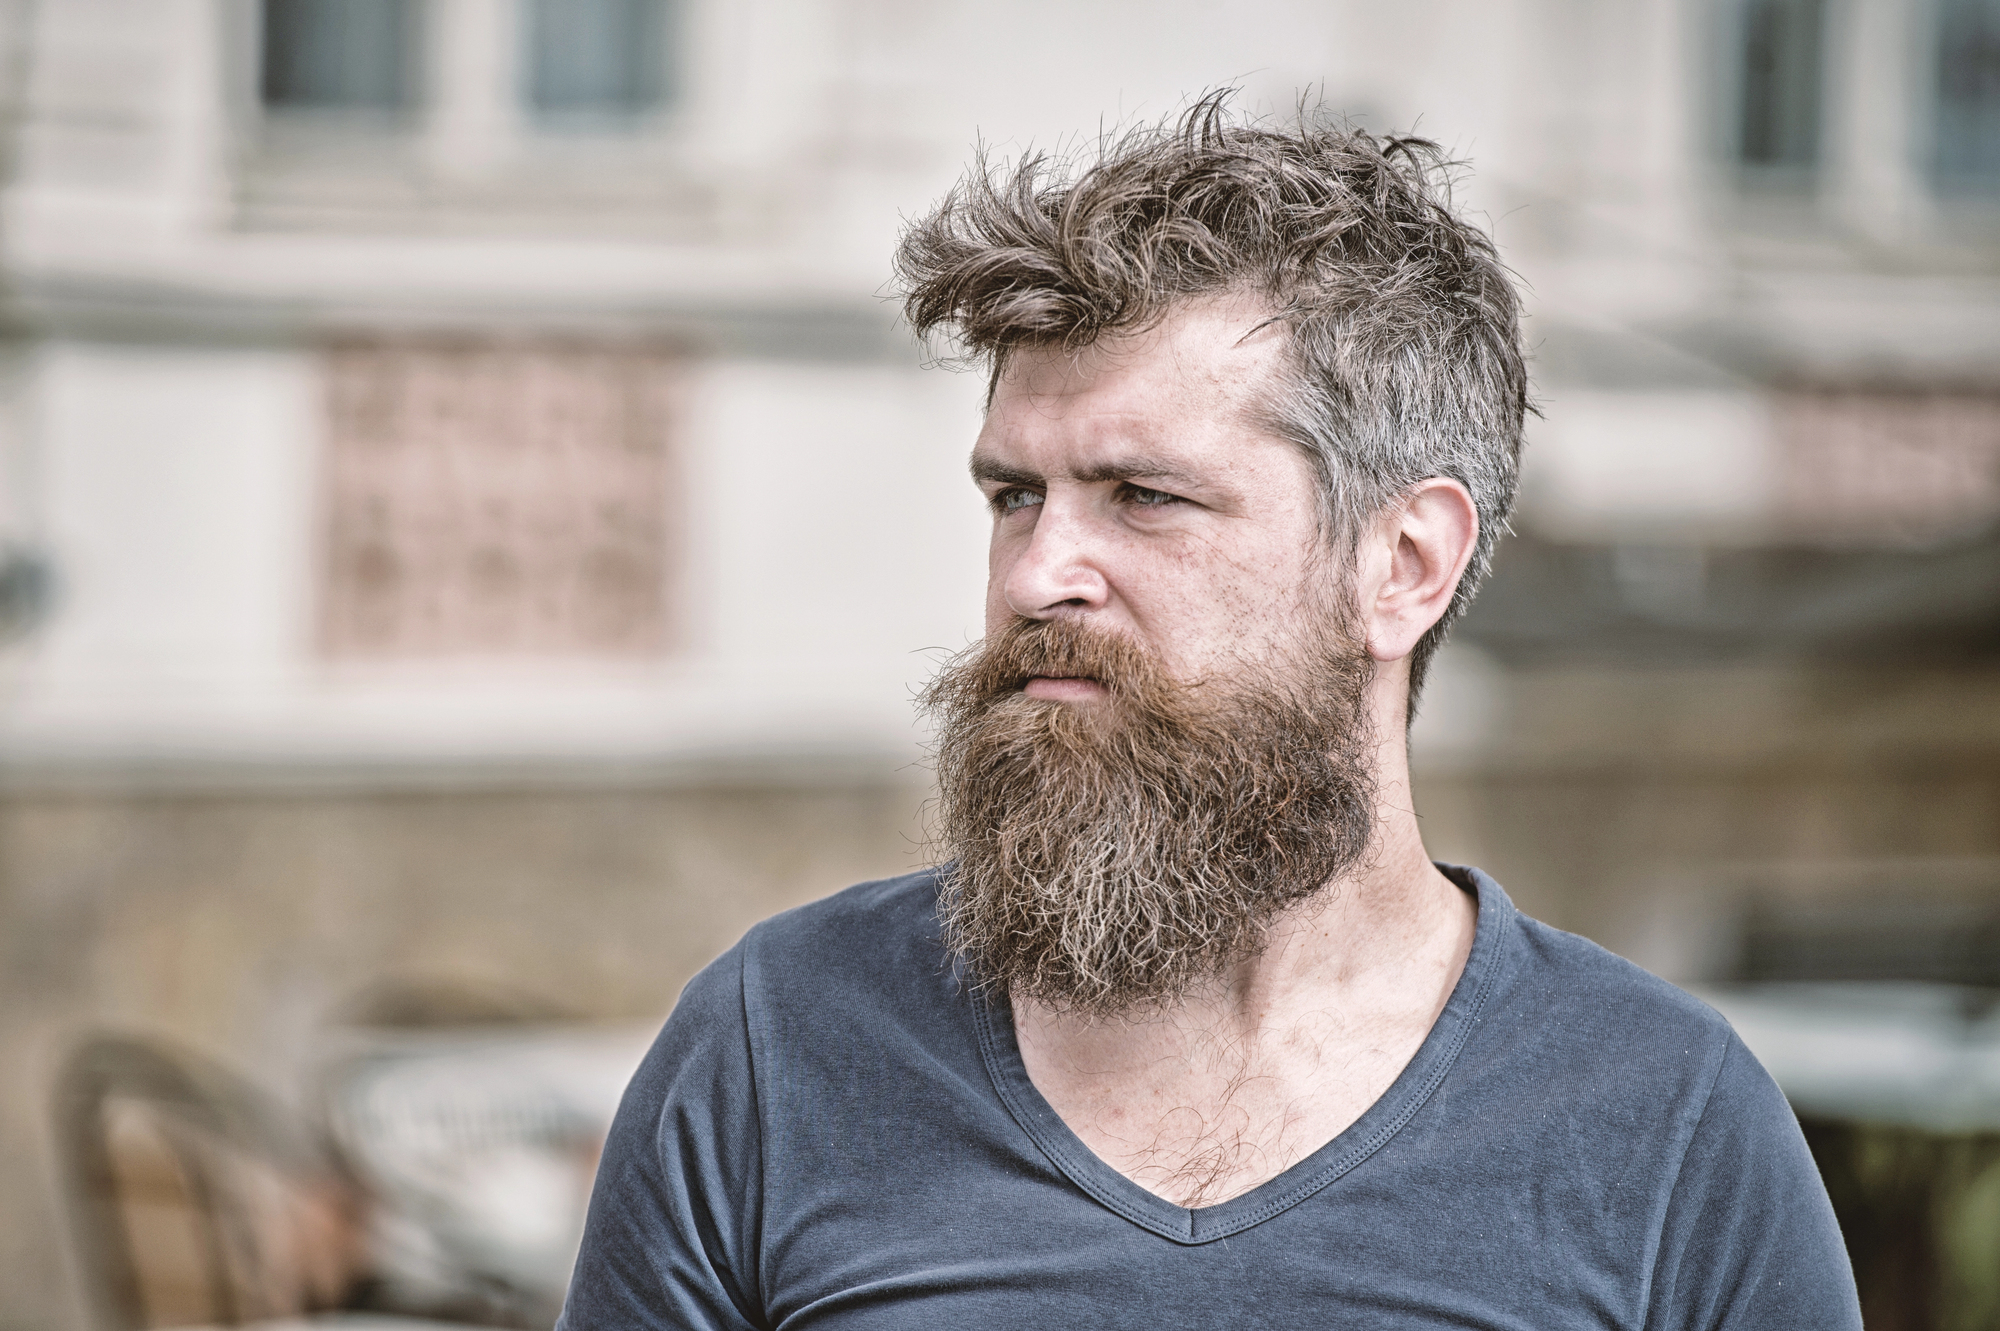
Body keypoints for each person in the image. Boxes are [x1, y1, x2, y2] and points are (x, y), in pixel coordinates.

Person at [558, 98, 1862, 1329]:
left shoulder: (1669, 1124)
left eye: (1144, 496)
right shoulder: (778, 1049)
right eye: (1015, 495)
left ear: (1404, 563)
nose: (1035, 575)